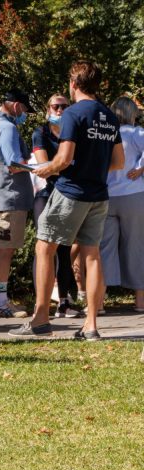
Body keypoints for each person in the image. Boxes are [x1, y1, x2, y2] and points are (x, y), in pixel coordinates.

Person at [12, 60, 125, 340]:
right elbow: (119, 162)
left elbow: (63, 160)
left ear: (73, 83)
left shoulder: (73, 114)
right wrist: (91, 168)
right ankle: (91, 326)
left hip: (70, 192)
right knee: (92, 255)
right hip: (99, 195)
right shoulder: (110, 116)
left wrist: (46, 168)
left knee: (43, 248)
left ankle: (40, 319)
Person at [0, 88, 35, 319]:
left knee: (5, 248)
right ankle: (1, 302)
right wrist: (39, 168)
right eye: (24, 109)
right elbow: (14, 164)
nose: (24, 113)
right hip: (10, 197)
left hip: (1, 196)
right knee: (6, 249)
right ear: (16, 106)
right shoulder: (7, 127)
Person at [32, 94, 83, 318]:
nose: (60, 110)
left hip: (68, 194)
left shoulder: (74, 132)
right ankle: (40, 306)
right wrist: (63, 165)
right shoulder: (41, 133)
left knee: (64, 249)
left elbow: (74, 164)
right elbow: (44, 163)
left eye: (64, 106)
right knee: (44, 248)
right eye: (56, 106)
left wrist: (59, 166)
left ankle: (64, 302)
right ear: (48, 109)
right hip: (47, 194)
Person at [100, 96, 144, 312]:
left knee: (104, 249)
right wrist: (141, 167)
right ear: (131, 113)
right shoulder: (136, 132)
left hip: (107, 196)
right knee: (136, 246)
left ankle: (98, 303)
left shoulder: (106, 133)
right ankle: (140, 301)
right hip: (134, 195)